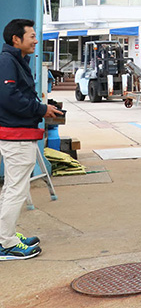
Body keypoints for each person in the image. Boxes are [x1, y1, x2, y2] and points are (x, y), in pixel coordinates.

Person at [0, 19, 63, 260]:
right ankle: (6, 244)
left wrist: (41, 107)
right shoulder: (7, 61)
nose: (36, 40)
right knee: (16, 189)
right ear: (16, 39)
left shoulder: (16, 60)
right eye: (32, 36)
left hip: (18, 133)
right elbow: (9, 98)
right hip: (15, 135)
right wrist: (40, 109)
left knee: (12, 188)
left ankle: (5, 236)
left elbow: (16, 95)